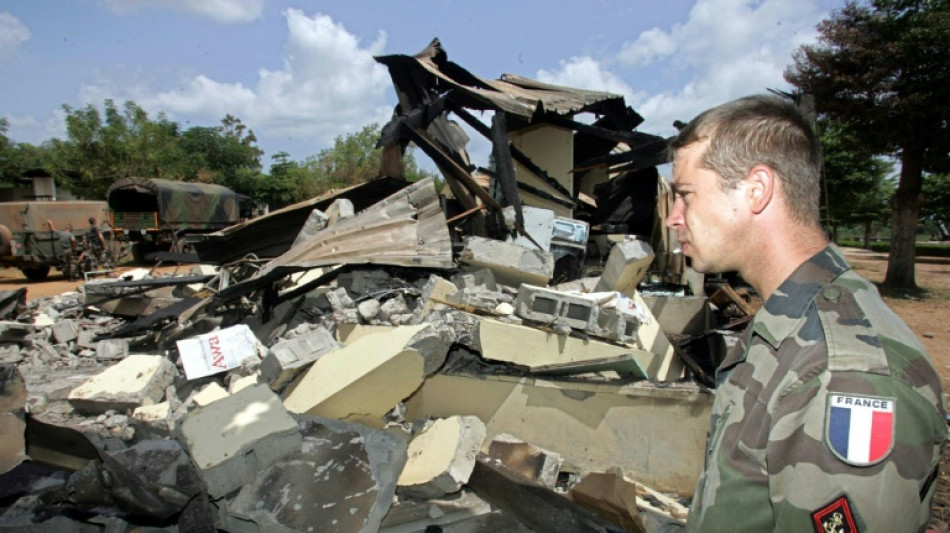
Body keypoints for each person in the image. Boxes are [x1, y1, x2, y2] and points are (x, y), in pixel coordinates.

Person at [666, 94, 947, 532]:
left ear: (756, 190)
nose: (672, 218)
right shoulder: (788, 323)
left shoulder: (844, 374)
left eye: (684, 195)